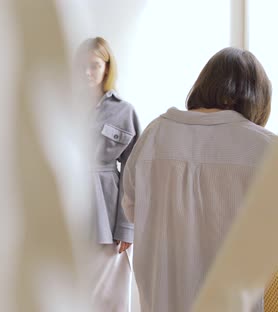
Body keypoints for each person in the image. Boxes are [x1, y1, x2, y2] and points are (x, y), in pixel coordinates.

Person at [122, 47, 274, 312]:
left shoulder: (154, 135)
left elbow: (132, 209)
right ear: (256, 96)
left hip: (161, 299)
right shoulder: (265, 148)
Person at [78, 36, 141, 311]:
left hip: (107, 215)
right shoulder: (62, 104)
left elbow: (133, 171)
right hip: (70, 205)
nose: (87, 72)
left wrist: (127, 226)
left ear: (107, 67)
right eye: (82, 65)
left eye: (94, 65)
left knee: (109, 298)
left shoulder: (124, 111)